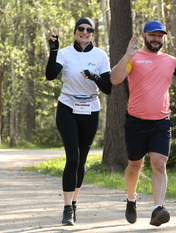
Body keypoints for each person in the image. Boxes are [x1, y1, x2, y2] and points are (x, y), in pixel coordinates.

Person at [109, 20, 176, 227]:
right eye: (152, 35)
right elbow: (114, 79)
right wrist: (127, 56)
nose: (156, 39)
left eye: (160, 36)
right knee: (134, 166)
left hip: (161, 123)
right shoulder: (134, 58)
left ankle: (158, 209)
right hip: (135, 123)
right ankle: (131, 200)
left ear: (163, 38)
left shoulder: (169, 61)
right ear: (144, 36)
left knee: (159, 164)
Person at [45, 17, 112, 226]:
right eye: (81, 29)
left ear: (92, 33)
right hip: (67, 108)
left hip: (90, 109)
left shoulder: (100, 55)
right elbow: (50, 75)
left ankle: (74, 204)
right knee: (72, 157)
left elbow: (108, 88)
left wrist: (94, 77)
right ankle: (66, 209)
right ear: (75, 31)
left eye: (89, 29)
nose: (85, 32)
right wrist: (53, 50)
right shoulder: (64, 53)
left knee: (81, 160)